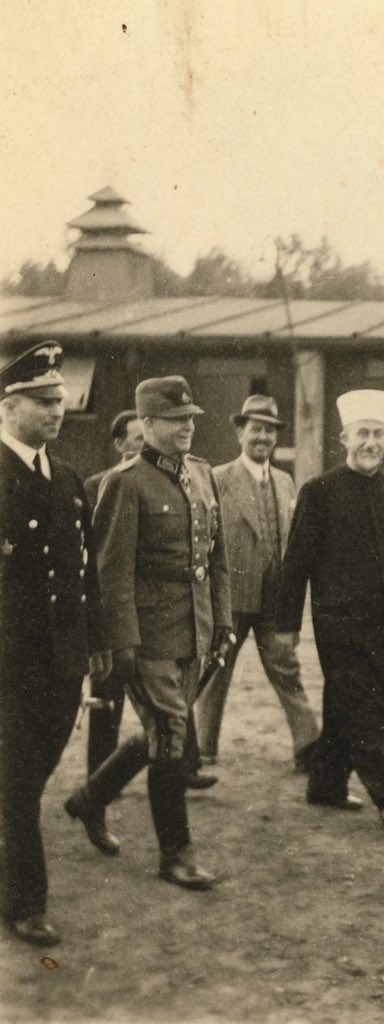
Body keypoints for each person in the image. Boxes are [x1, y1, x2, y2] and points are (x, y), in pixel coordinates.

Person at [63, 376, 231, 890]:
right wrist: (124, 642)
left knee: (163, 730)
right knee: (173, 734)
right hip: (150, 636)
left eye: (191, 420)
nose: (187, 428)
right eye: (176, 421)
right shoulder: (127, 483)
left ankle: (91, 798)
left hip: (194, 631)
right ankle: (175, 854)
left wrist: (221, 619)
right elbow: (111, 575)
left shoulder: (201, 475)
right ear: (148, 424)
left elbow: (215, 559)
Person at [275, 389, 384, 826]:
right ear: (345, 439)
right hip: (339, 623)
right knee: (361, 707)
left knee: (345, 707)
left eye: (378, 435)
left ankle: (326, 785)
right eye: (362, 434)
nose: (370, 442)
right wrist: (286, 623)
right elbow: (296, 563)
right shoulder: (319, 492)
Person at [0, 341, 110, 946]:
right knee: (18, 782)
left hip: (62, 660)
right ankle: (25, 903)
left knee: (30, 775)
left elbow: (83, 569)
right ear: (9, 405)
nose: (56, 410)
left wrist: (93, 641)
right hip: (9, 660)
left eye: (60, 400)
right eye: (43, 401)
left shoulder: (67, 478)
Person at [195, 395, 319, 772]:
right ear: (240, 432)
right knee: (214, 675)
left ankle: (309, 749)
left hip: (274, 599)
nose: (263, 437)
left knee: (287, 670)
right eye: (256, 429)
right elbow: (206, 543)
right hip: (231, 597)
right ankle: (201, 751)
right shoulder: (218, 479)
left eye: (269, 430)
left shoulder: (284, 481)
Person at [80, 410, 145, 781]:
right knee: (108, 690)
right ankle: (99, 772)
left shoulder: (162, 480)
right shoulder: (97, 485)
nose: (143, 445)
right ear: (120, 445)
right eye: (136, 439)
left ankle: (185, 765)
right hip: (112, 600)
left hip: (150, 602)